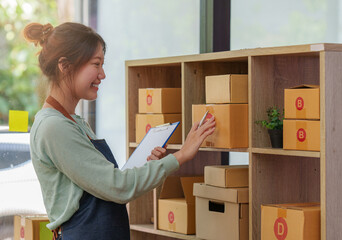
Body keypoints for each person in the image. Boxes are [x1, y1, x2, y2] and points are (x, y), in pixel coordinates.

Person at [24, 22, 215, 240]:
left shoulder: (74, 122)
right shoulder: (54, 127)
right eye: (96, 64)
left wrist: (148, 165)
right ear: (65, 66)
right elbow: (117, 187)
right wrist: (181, 155)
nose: (102, 74)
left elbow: (106, 184)